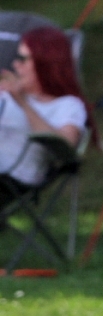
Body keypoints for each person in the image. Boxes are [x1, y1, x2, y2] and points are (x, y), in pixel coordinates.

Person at [0, 26, 88, 201]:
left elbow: (65, 145)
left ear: (45, 63)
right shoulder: (7, 95)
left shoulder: (68, 105)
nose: (16, 65)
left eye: (23, 59)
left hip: (14, 178)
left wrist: (22, 102)